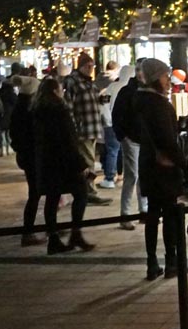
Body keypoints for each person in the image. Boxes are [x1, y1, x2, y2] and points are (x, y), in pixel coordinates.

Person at [132, 58, 187, 280]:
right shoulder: (159, 104)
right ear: (156, 78)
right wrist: (184, 163)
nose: (168, 81)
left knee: (153, 214)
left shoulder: (139, 101)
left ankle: (152, 261)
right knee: (170, 214)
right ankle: (171, 260)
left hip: (147, 163)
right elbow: (167, 140)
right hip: (165, 167)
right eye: (165, 76)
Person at [31, 77, 91, 254]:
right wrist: (81, 164)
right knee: (81, 193)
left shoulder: (37, 111)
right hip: (64, 163)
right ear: (56, 91)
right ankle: (76, 232)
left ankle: (54, 238)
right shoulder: (60, 110)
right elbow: (68, 140)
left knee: (52, 198)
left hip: (47, 162)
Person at [62, 53, 111, 205]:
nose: (91, 69)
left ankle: (87, 190)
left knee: (89, 160)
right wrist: (73, 128)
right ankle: (89, 192)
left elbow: (94, 99)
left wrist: (102, 97)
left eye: (92, 66)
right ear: (81, 66)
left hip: (93, 126)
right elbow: (69, 106)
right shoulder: (72, 82)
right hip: (83, 129)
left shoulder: (89, 82)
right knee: (88, 161)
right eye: (88, 66)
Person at [8, 74, 47, 247]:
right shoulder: (30, 111)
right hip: (32, 157)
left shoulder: (19, 109)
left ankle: (34, 229)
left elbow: (14, 136)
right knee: (35, 193)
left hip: (26, 156)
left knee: (37, 192)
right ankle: (28, 231)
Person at [111, 59, 148, 229]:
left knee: (142, 175)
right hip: (132, 139)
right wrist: (123, 136)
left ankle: (143, 211)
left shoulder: (145, 90)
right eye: (140, 70)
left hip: (142, 139)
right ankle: (125, 214)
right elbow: (117, 114)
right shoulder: (128, 91)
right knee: (132, 175)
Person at [96, 63, 124, 190]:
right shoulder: (121, 87)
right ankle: (118, 175)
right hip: (117, 123)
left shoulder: (108, 89)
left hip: (109, 123)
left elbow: (103, 106)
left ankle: (109, 178)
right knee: (117, 150)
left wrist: (106, 120)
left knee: (112, 150)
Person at [0, 63, 21, 156]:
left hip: (4, 108)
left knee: (4, 129)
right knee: (11, 129)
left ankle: (4, 147)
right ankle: (9, 147)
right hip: (13, 109)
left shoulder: (4, 81)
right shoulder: (17, 81)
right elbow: (16, 97)